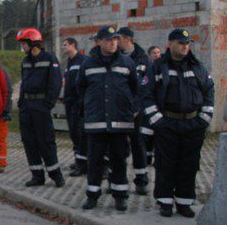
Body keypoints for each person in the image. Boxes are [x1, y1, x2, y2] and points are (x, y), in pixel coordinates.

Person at [142, 29, 214, 218]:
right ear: (171, 43)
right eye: (181, 42)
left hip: (193, 124)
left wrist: (204, 118)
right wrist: (158, 121)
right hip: (168, 123)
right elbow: (146, 94)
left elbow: (209, 90)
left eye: (187, 43)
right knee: (166, 164)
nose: (185, 46)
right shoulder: (158, 66)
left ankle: (184, 201)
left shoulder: (197, 66)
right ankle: (165, 201)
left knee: (189, 164)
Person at [77, 26, 139, 211]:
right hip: (96, 122)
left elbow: (135, 90)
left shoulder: (127, 63)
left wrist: (132, 109)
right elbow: (81, 90)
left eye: (115, 39)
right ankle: (92, 196)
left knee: (119, 160)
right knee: (95, 161)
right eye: (108, 40)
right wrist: (87, 110)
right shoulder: (88, 64)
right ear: (99, 41)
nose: (112, 43)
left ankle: (120, 196)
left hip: (120, 122)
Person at [16, 28, 65, 187]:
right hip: (27, 108)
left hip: (41, 107)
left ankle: (56, 175)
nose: (22, 47)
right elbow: (24, 84)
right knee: (29, 142)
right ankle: (37, 176)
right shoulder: (25, 61)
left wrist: (47, 105)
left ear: (32, 43)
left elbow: (55, 84)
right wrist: (21, 104)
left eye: (24, 43)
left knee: (46, 142)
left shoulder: (50, 58)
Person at [115, 27, 153, 195]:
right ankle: (116, 181)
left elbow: (145, 86)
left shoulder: (143, 59)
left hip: (136, 113)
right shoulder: (116, 58)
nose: (116, 42)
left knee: (138, 146)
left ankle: (141, 180)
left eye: (119, 39)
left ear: (126, 39)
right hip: (119, 110)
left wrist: (136, 108)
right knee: (118, 147)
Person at [61, 37, 88, 177]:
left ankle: (83, 164)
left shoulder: (82, 60)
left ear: (73, 45)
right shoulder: (69, 62)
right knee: (73, 133)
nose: (63, 47)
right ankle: (78, 159)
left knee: (79, 133)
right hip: (70, 102)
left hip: (78, 102)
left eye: (65, 45)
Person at [144, 45, 161, 166]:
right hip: (149, 105)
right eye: (154, 53)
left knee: (159, 136)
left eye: (158, 52)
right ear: (149, 55)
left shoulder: (162, 67)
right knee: (147, 134)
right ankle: (147, 157)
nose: (157, 55)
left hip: (160, 105)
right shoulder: (147, 68)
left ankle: (157, 158)